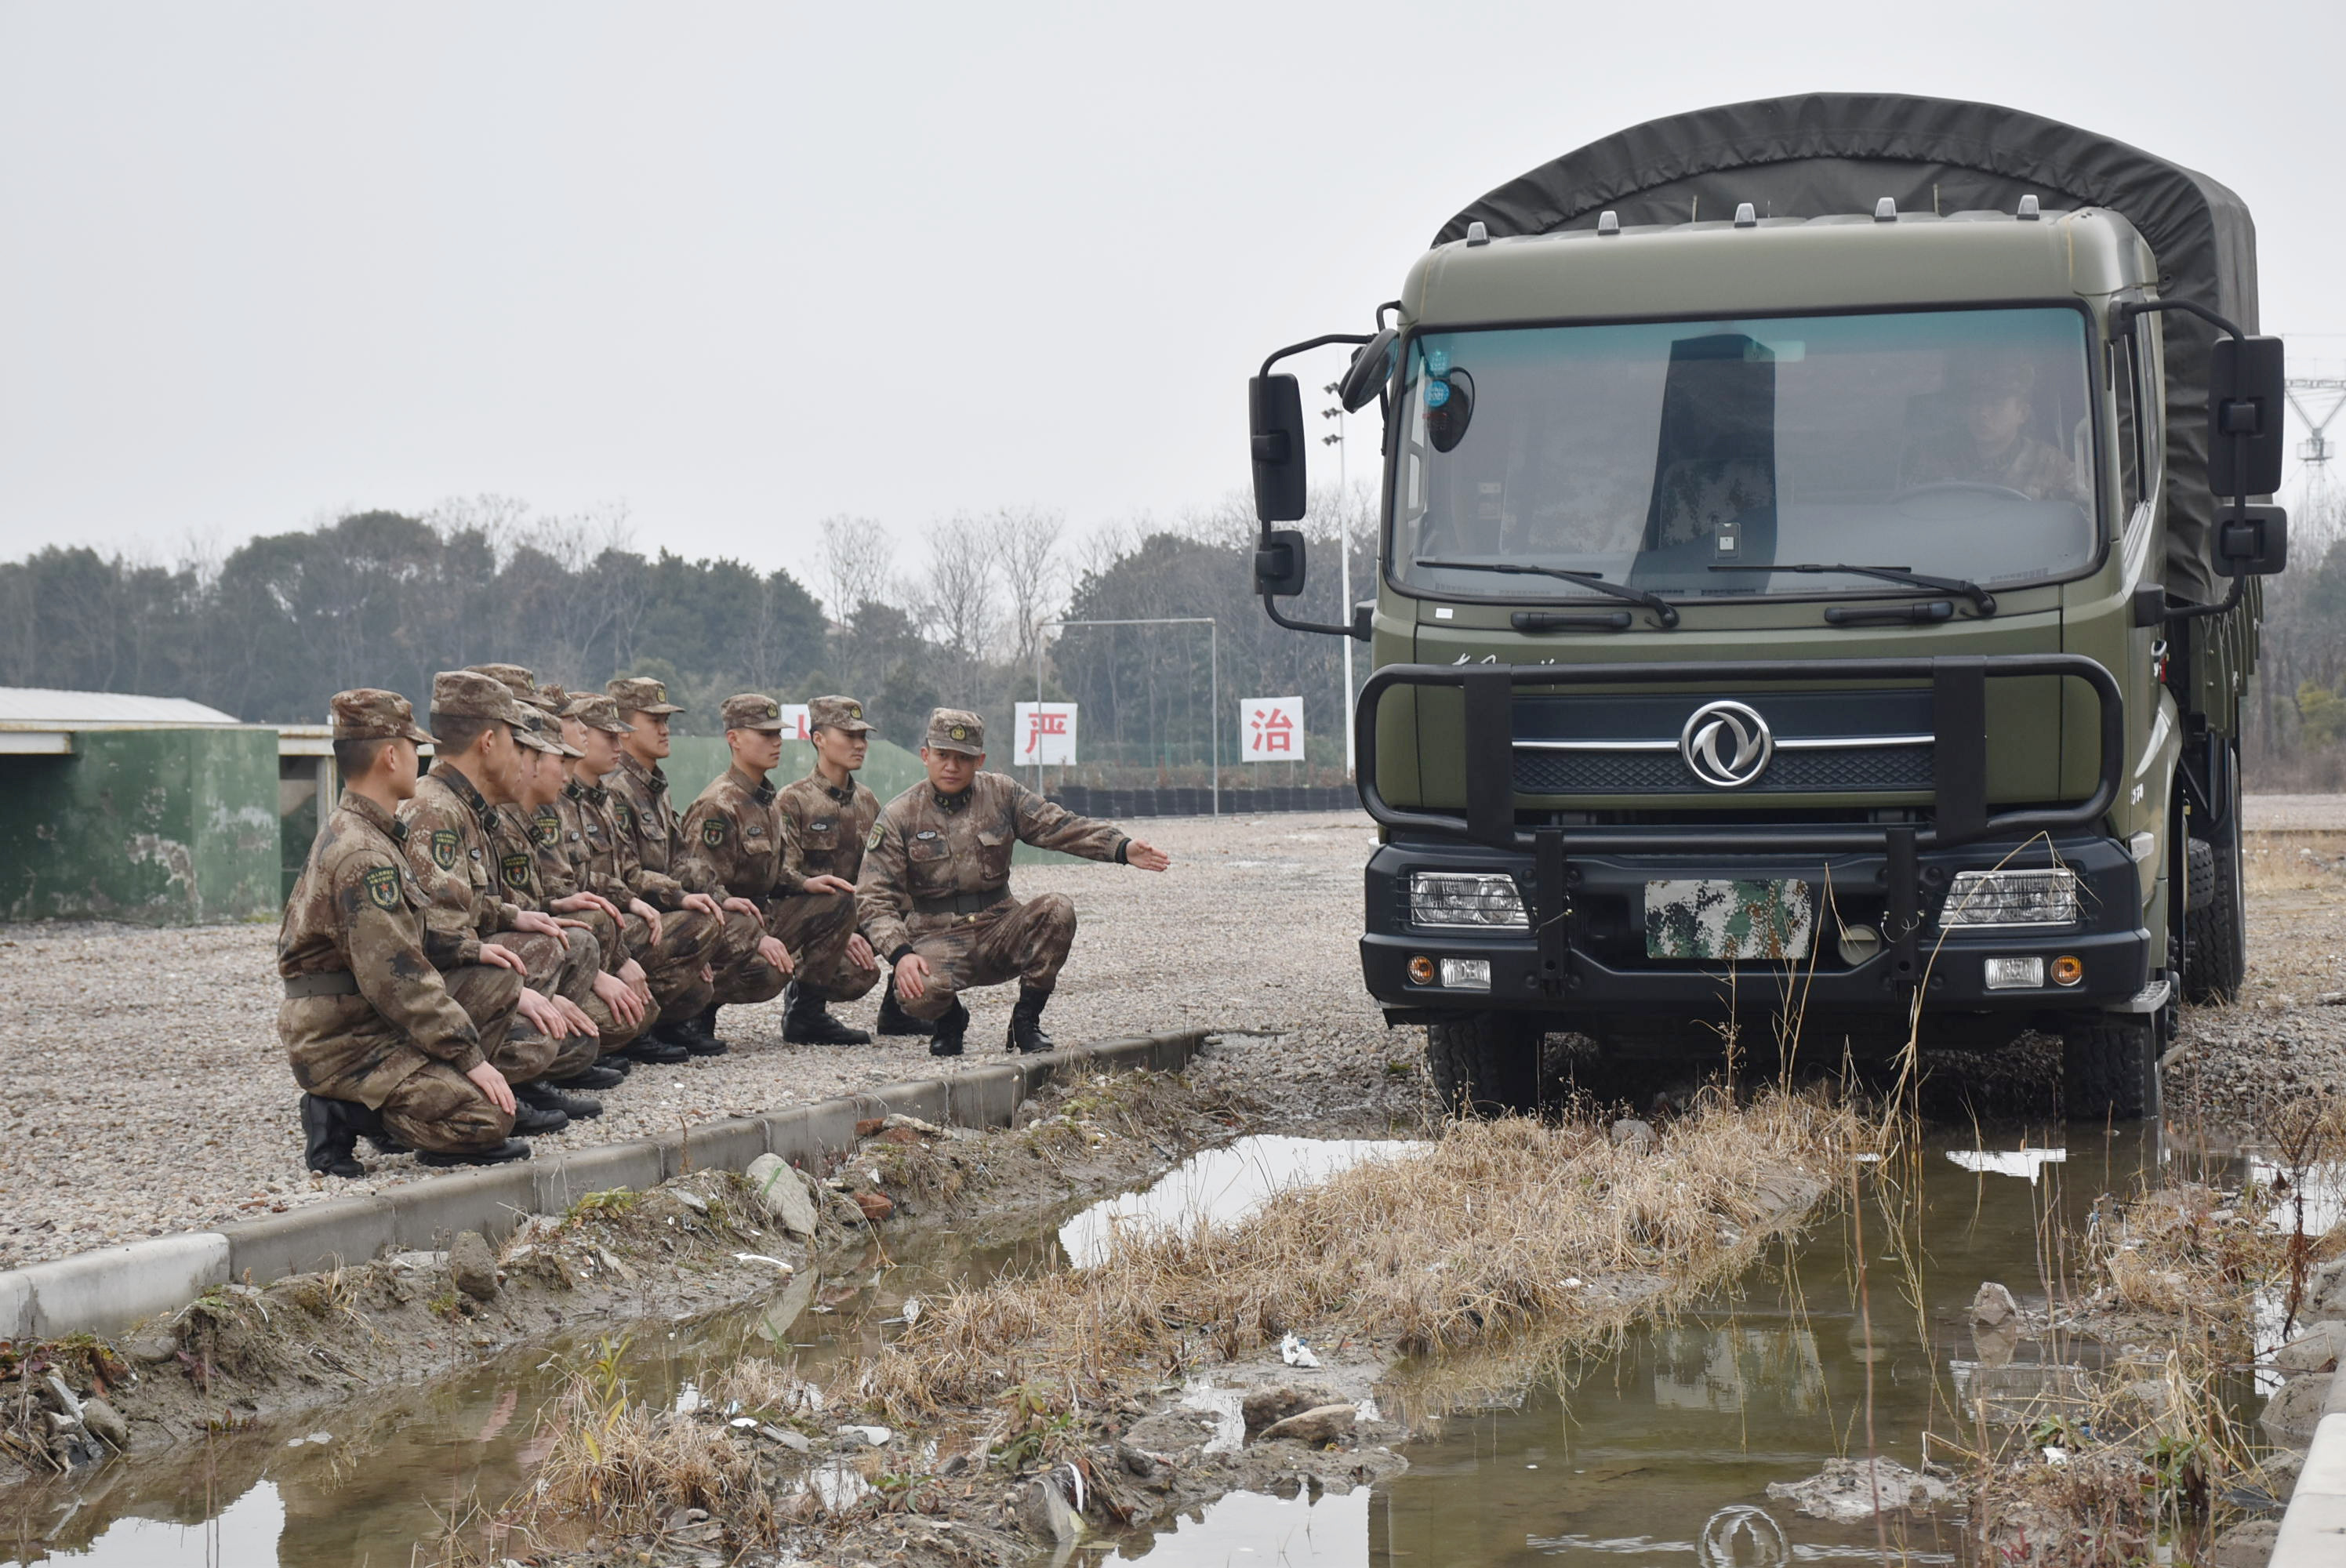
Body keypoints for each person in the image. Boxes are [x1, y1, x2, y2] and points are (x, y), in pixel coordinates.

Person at [278, 688, 529, 1177]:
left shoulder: (372, 833)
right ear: (391, 756)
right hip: (343, 1038)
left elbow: (403, 937)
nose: (421, 756)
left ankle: (418, 1098)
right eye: (414, 747)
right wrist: (469, 1058)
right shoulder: (362, 854)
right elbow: (398, 977)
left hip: (363, 1013)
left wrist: (469, 948)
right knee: (489, 1119)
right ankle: (341, 1113)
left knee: (497, 978)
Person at [857, 708, 1171, 1057]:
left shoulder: (1001, 794)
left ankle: (1025, 1022)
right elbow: (873, 897)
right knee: (916, 990)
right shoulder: (901, 815)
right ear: (925, 755)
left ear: (980, 760)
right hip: (936, 935)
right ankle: (949, 1020)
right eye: (943, 755)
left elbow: (1058, 826)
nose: (951, 766)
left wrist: (1120, 847)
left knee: (1058, 909)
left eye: (963, 758)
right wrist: (900, 954)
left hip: (999, 925)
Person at [400, 670, 598, 1132]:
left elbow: (468, 906)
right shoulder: (436, 811)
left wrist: (515, 914)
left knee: (550, 944)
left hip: (441, 976)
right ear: (488, 741)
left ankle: (509, 1079)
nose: (522, 756)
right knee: (535, 1021)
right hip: (418, 990)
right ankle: (465, 1083)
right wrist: (515, 992)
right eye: (515, 739)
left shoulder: (461, 806)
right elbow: (435, 936)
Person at [558, 692, 727, 1065]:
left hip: (615, 919)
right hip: (592, 928)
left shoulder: (602, 800)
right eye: (608, 737)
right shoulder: (567, 801)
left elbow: (630, 871)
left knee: (707, 927)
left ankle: (641, 1022)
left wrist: (688, 896)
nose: (616, 745)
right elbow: (573, 883)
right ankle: (620, 1032)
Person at [605, 674, 750, 1055]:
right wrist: (682, 897)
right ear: (622, 725)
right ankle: (636, 1027)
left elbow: (682, 857)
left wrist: (718, 896)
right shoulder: (616, 789)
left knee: (735, 921)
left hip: (657, 911)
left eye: (666, 720)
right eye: (654, 720)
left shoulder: (653, 785)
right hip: (626, 917)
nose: (665, 729)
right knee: (700, 923)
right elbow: (627, 874)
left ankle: (672, 1019)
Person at [675, 695, 803, 1037]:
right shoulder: (718, 804)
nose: (776, 742)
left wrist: (807, 885)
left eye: (778, 734)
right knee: (768, 969)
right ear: (734, 739)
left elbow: (770, 874)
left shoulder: (765, 800)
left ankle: (808, 1012)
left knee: (833, 903)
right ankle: (695, 1009)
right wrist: (756, 936)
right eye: (765, 735)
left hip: (759, 915)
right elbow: (700, 887)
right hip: (720, 923)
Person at [771, 694, 894, 1044]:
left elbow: (881, 875)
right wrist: (841, 928)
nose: (859, 745)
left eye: (863, 737)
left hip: (853, 917)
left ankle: (901, 1008)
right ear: (819, 739)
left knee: (917, 899)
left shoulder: (868, 802)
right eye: (848, 736)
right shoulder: (792, 800)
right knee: (855, 973)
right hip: (808, 928)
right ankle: (805, 1008)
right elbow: (785, 877)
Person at [1900, 357, 2081, 502]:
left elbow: (2084, 518)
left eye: (1996, 403)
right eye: (1975, 402)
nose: (1983, 413)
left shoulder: (2050, 463)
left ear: (2022, 413)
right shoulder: (1933, 455)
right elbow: (1911, 514)